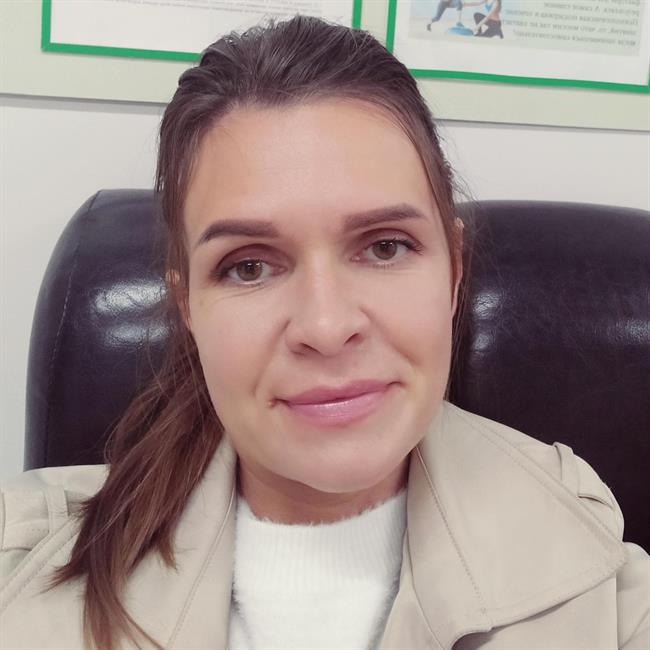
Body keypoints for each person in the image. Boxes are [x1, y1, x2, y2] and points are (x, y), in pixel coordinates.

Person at [1, 13, 649, 650]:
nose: (327, 326)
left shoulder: (609, 594)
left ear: (454, 272)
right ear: (188, 304)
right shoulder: (20, 563)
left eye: (385, 247)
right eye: (249, 266)